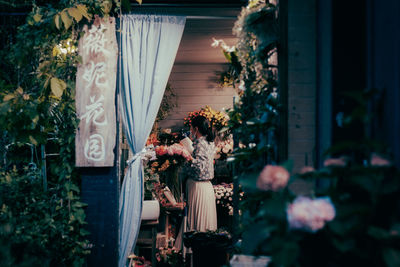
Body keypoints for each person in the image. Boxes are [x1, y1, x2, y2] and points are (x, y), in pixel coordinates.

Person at [184, 115, 217, 232]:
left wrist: (187, 157)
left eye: (191, 128)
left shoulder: (199, 144)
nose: (190, 131)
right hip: (207, 186)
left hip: (198, 186)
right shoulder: (210, 143)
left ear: (196, 129)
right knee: (204, 220)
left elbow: (199, 167)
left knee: (196, 221)